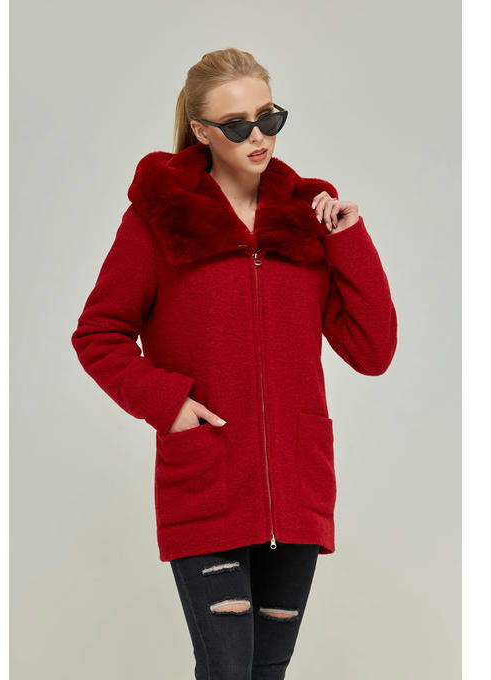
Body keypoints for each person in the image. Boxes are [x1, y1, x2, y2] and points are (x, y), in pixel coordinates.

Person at [71, 47, 397, 679]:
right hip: (208, 477)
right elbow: (98, 334)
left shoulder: (307, 218)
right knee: (227, 671)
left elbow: (373, 351)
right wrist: (169, 405)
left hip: (297, 484)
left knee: (267, 673)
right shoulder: (160, 219)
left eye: (269, 119)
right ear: (200, 131)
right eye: (237, 125)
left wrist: (348, 239)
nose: (258, 137)